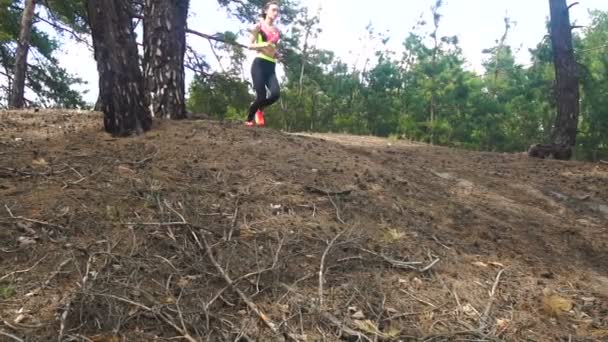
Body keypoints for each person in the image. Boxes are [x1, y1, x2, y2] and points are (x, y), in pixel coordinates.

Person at [245, 1, 281, 127]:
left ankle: (260, 109)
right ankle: (249, 118)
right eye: (273, 10)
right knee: (261, 96)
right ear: (266, 11)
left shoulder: (277, 31)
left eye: (277, 11)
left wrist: (277, 54)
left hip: (271, 66)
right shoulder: (258, 27)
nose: (276, 13)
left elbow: (273, 49)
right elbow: (249, 45)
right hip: (259, 64)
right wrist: (263, 44)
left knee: (276, 94)